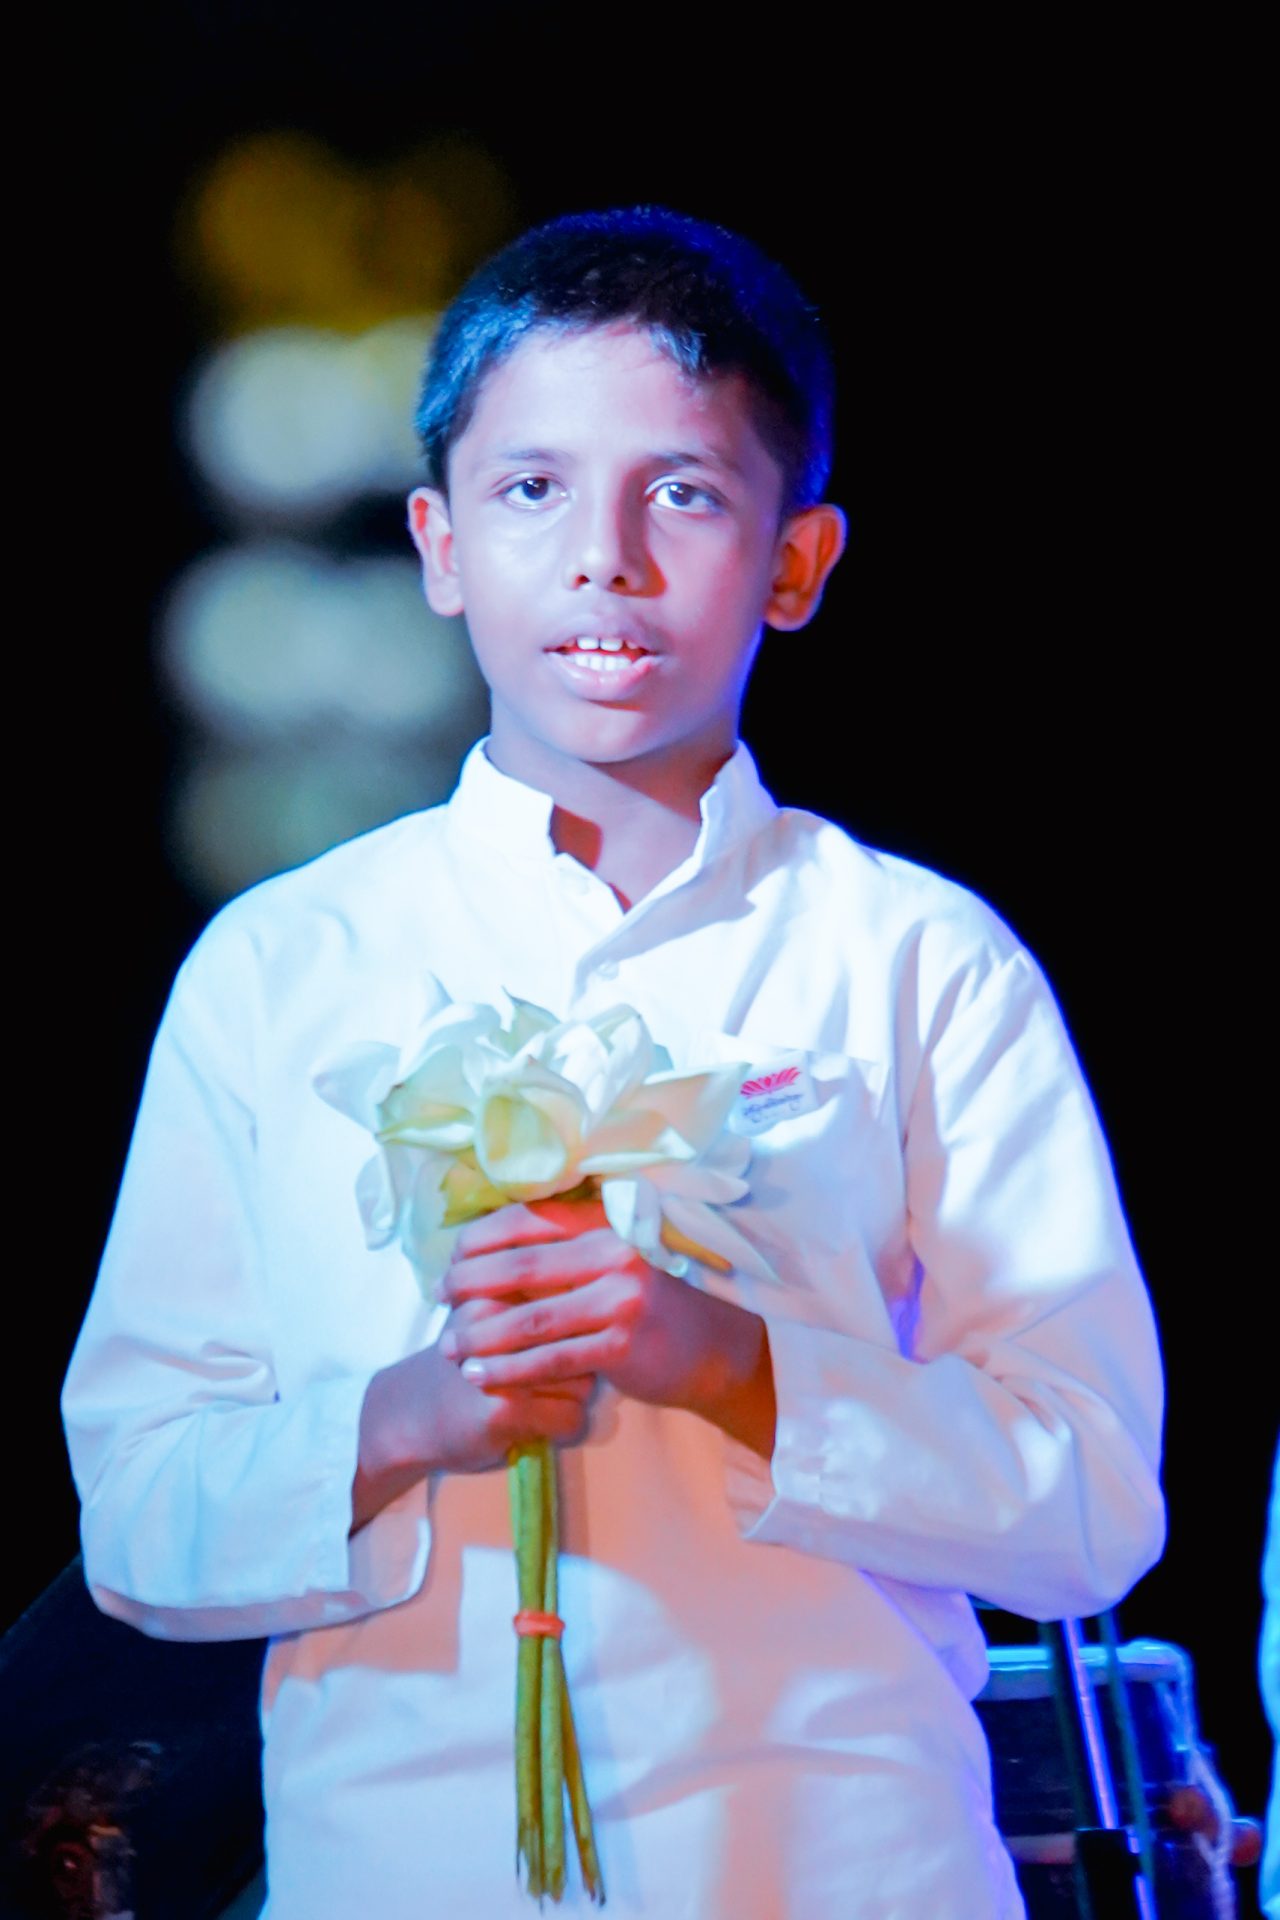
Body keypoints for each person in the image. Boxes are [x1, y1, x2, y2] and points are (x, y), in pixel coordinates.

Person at [62, 208, 1165, 1919]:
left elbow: (1092, 1502)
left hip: (843, 1864)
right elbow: (138, 1521)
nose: (606, 559)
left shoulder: (918, 958)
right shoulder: (285, 968)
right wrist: (415, 1416)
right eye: (531, 491)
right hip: (401, 1873)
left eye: (687, 493)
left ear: (798, 564)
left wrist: (724, 1363)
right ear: (436, 541)